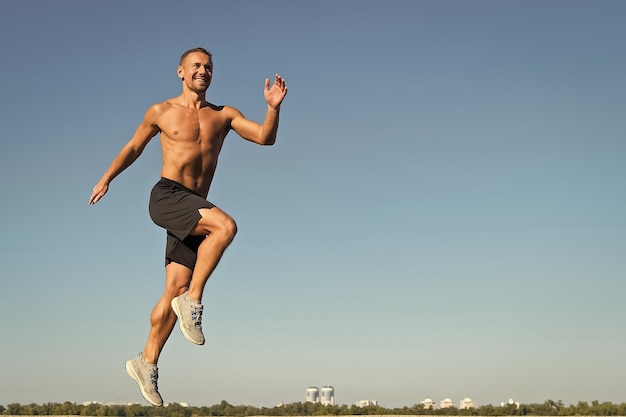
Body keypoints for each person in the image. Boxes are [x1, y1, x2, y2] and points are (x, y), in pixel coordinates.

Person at [89, 47, 287, 406]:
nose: (203, 71)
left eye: (208, 67)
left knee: (173, 288)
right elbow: (134, 146)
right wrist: (107, 178)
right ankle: (193, 300)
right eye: (195, 66)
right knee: (225, 227)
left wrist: (272, 108)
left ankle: (146, 361)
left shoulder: (223, 115)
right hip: (167, 196)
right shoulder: (161, 111)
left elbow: (264, 137)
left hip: (194, 210)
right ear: (180, 72)